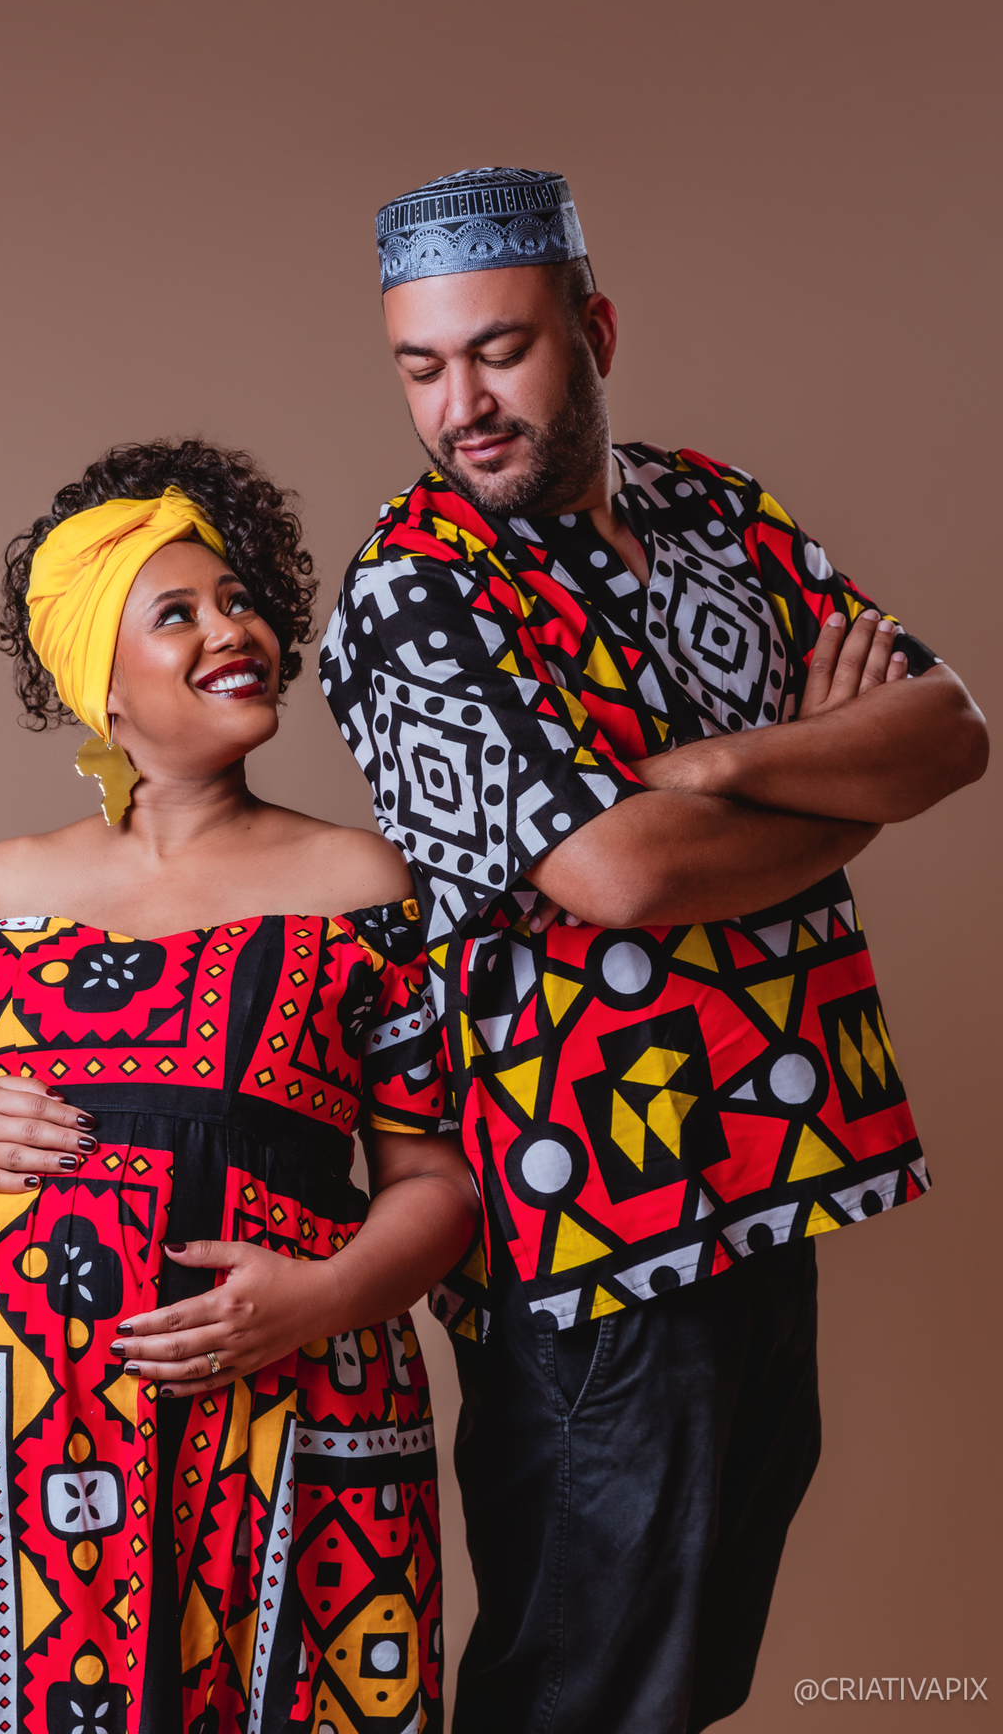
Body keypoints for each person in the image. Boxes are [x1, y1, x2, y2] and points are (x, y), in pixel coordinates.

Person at [321, 168, 989, 1732]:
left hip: (780, 1156)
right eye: (423, 369)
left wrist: (712, 766)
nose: (463, 406)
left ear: (596, 331)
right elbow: (617, 876)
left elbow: (949, 731)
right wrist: (827, 787)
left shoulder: (716, 508)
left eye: (500, 351)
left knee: (686, 1677)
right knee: (590, 1680)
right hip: (592, 1224)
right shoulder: (417, 593)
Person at [0, 438, 478, 1734]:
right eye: (178, 614)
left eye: (240, 601)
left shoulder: (362, 888)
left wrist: (321, 1298)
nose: (235, 630)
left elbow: (438, 1184)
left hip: (279, 1406)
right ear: (98, 684)